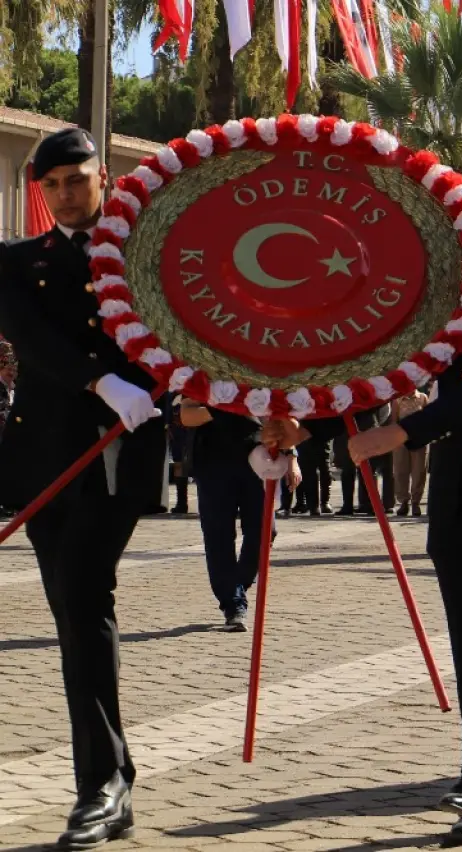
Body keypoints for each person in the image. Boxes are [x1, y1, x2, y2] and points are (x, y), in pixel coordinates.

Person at [265, 180, 462, 842]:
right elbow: (383, 375)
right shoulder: (456, 310)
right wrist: (307, 428)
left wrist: (403, 433)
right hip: (460, 491)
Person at [0, 128, 168, 849]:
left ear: (104, 178)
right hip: (43, 457)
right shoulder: (15, 261)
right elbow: (30, 339)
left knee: (82, 591)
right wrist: (99, 379)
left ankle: (100, 785)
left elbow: (179, 331)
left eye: (78, 179)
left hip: (114, 456)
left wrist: (161, 391)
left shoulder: (141, 253)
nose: (66, 194)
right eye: (54, 185)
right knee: (72, 612)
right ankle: (113, 774)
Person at [180, 397, 299, 628]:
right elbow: (187, 415)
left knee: (265, 531)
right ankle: (233, 604)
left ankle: (237, 585)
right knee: (219, 536)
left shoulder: (259, 366)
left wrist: (292, 456)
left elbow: (283, 409)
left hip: (258, 459)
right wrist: (225, 409)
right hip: (213, 461)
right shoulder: (205, 368)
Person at [392, 389, 431, 516]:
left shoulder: (423, 397)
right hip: (401, 440)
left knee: (419, 471)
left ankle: (416, 503)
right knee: (400, 471)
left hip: (419, 440)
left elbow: (429, 417)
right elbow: (394, 421)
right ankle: (403, 502)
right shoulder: (397, 400)